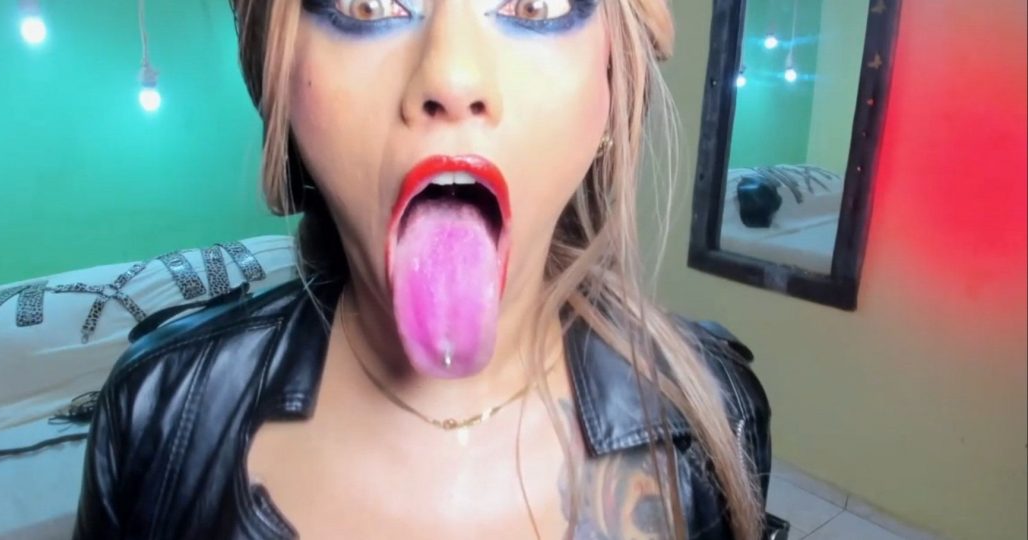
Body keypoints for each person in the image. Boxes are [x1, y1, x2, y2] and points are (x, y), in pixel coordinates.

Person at [74, 0, 775, 538]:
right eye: (368, 4)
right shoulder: (157, 412)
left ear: (613, 82)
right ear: (279, 80)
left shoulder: (716, 415)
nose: (451, 76)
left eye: (534, 4)